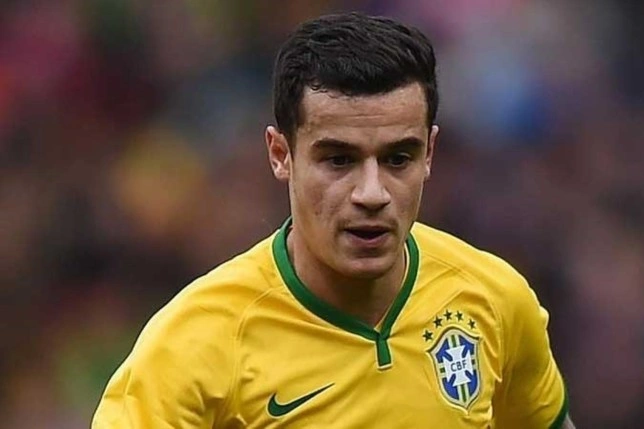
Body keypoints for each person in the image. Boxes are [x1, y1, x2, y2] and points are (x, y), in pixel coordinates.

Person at [92, 12, 575, 428]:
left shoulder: (495, 300)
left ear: (429, 153)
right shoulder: (193, 345)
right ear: (281, 154)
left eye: (398, 158)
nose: (372, 194)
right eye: (339, 160)